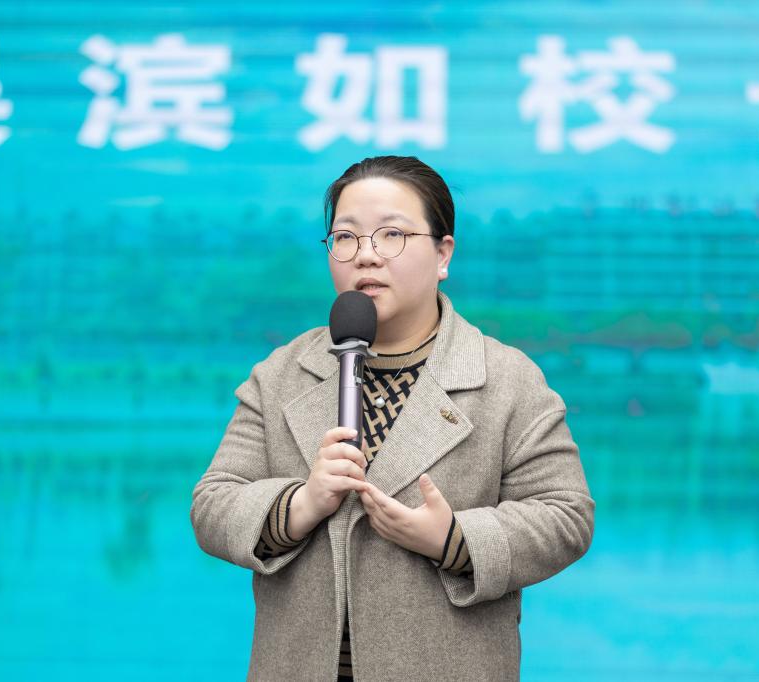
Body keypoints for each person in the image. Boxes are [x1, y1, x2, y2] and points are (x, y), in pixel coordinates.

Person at [190, 155, 594, 681]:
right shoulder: (283, 373)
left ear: (443, 253)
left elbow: (566, 515)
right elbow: (213, 503)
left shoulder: (506, 379)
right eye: (346, 238)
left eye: (392, 235)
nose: (366, 255)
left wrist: (453, 538)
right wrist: (299, 504)